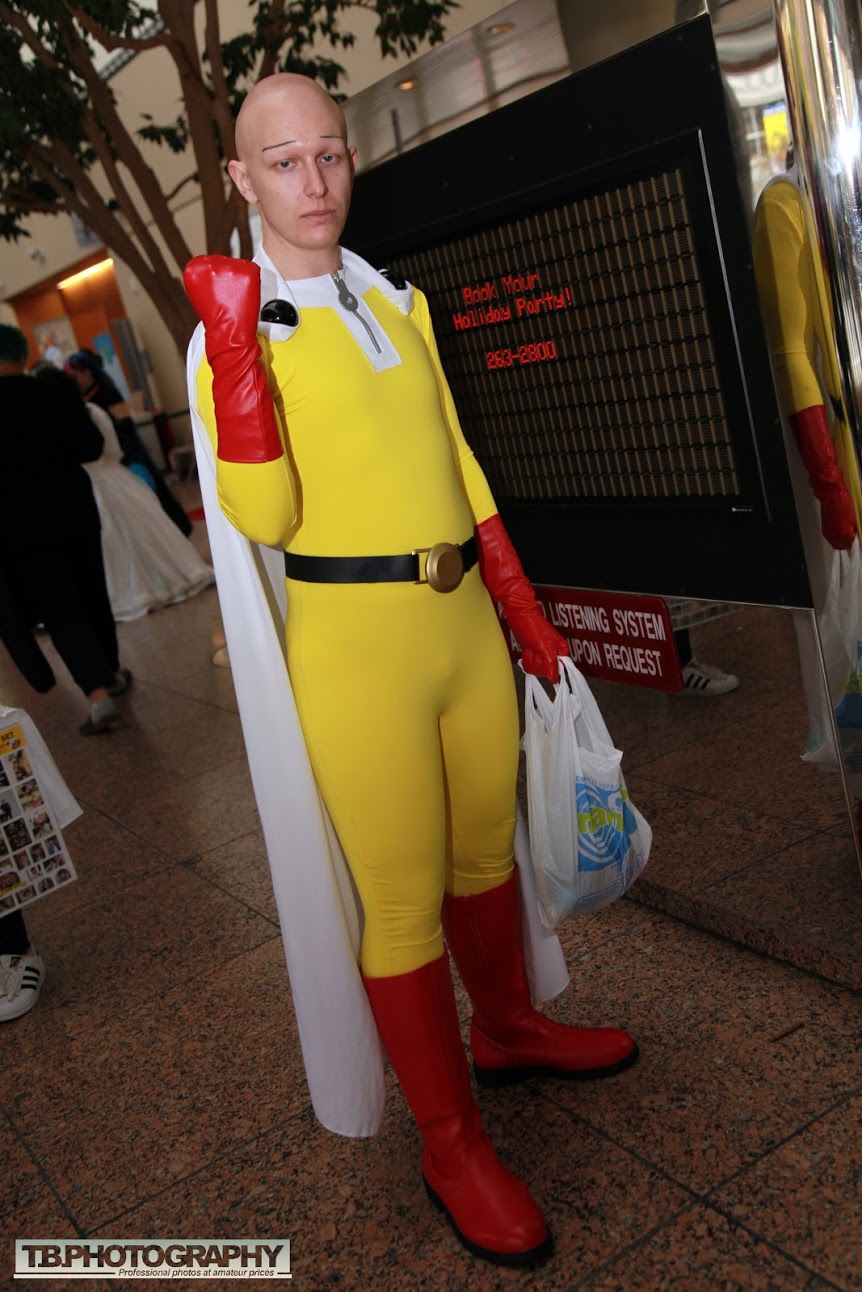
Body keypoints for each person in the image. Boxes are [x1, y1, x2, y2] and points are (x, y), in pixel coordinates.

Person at [184, 74, 638, 1268]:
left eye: (329, 153)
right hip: (354, 645)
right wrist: (234, 351)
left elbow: (456, 458)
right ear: (241, 181)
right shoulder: (238, 324)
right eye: (283, 163)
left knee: (486, 851)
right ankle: (450, 1142)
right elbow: (266, 514)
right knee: (397, 898)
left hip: (459, 630)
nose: (315, 181)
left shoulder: (391, 297)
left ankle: (511, 1027)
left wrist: (517, 600)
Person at [0, 324, 130, 735]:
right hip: (74, 509)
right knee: (92, 590)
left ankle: (96, 694)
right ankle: (109, 671)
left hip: (20, 525)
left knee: (58, 606)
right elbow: (90, 447)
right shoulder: (54, 391)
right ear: (23, 356)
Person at [34, 366, 214, 622]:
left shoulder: (69, 419)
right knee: (140, 536)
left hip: (95, 482)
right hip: (115, 478)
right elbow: (114, 450)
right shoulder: (92, 411)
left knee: (115, 540)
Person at [64, 350, 194, 538]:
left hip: (128, 450)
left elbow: (125, 423)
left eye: (76, 375)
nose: (75, 380)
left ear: (87, 372)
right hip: (115, 455)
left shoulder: (106, 390)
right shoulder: (86, 397)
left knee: (153, 490)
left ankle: (179, 527)